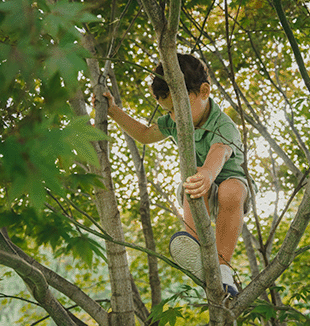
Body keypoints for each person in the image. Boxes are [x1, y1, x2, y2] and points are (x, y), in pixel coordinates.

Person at [94, 53, 251, 296]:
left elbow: (219, 152)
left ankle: (223, 267)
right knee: (194, 180)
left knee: (231, 190)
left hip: (226, 181)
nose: (176, 118)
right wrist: (114, 112)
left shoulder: (223, 125)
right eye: (170, 111)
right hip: (199, 185)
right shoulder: (173, 120)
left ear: (204, 92)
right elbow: (145, 134)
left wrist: (208, 174)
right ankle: (192, 246)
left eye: (180, 108)